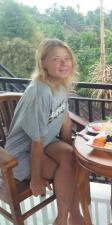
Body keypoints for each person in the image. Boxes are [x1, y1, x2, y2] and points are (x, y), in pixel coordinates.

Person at [5, 39, 86, 225]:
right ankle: (64, 218)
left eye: (67, 58)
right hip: (20, 155)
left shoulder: (61, 83)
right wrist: (36, 178)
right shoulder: (40, 91)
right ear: (43, 63)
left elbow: (64, 117)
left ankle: (73, 216)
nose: (64, 63)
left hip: (46, 142)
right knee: (65, 169)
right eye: (56, 59)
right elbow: (36, 140)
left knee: (73, 158)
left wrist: (68, 145)